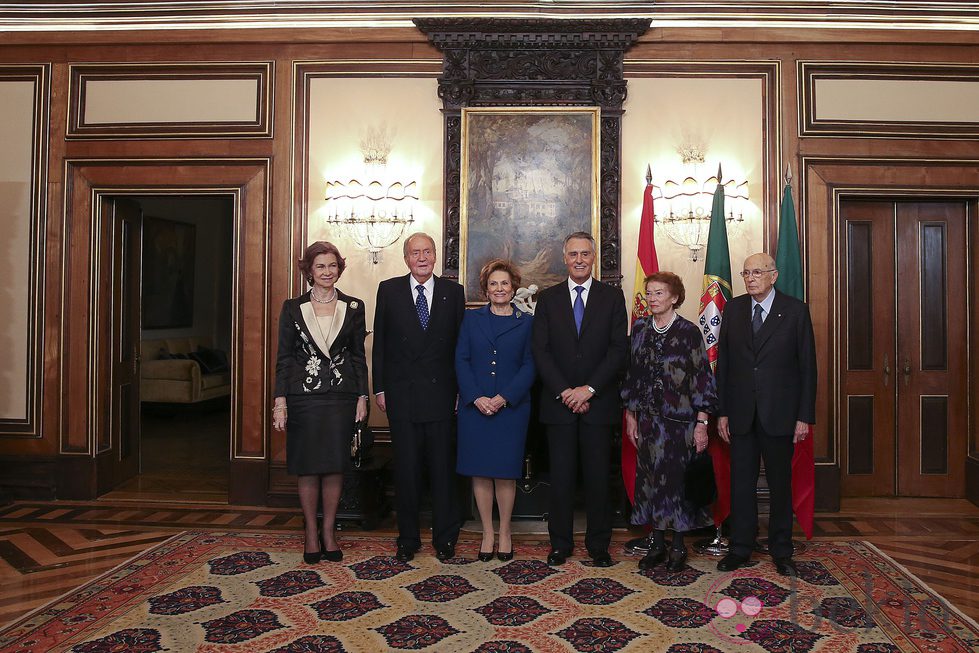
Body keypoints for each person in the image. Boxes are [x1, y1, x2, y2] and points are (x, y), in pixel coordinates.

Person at [715, 252, 817, 577]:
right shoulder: (733, 309)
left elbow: (808, 369)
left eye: (756, 272)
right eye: (745, 273)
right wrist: (723, 412)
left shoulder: (795, 311)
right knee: (741, 484)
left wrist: (804, 416)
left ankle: (782, 550)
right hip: (742, 414)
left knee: (779, 485)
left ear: (773, 275)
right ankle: (741, 548)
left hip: (781, 414)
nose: (750, 278)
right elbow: (725, 366)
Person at [531, 231, 629, 567]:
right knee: (560, 479)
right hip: (558, 405)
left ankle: (598, 545)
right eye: (573, 254)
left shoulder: (612, 298)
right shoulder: (547, 299)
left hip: (598, 404)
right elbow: (540, 352)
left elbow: (618, 350)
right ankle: (560, 544)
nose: (579, 260)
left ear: (593, 257)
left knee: (599, 478)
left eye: (585, 254)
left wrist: (588, 389)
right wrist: (565, 392)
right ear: (564, 257)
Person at [273, 241, 369, 564]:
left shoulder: (354, 307)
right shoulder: (292, 308)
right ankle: (310, 534)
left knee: (334, 467)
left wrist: (362, 396)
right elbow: (284, 358)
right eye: (320, 267)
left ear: (339, 269)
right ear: (309, 271)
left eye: (332, 266)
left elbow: (358, 357)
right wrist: (280, 400)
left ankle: (329, 531)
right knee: (309, 467)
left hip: (341, 398)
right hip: (304, 399)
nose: (327, 272)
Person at [373, 232, 466, 562]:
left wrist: (460, 391)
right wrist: (380, 389)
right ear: (406, 258)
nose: (422, 257)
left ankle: (445, 538)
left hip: (442, 396)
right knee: (407, 473)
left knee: (443, 473)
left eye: (428, 251)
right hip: (402, 396)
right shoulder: (389, 290)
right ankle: (407, 538)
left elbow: (460, 348)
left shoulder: (453, 292)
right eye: (416, 253)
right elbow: (381, 344)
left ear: (436, 255)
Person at [622, 272, 716, 571]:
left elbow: (702, 378)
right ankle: (657, 543)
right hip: (648, 422)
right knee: (651, 483)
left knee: (675, 484)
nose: (652, 298)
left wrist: (702, 423)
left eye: (659, 293)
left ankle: (677, 546)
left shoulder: (688, 332)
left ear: (674, 297)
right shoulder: (639, 330)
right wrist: (631, 415)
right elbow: (633, 375)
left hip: (680, 422)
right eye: (649, 293)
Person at [456, 259, 536, 562]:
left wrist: (504, 397)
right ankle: (487, 533)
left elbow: (531, 364)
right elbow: (461, 360)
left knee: (505, 473)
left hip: (511, 409)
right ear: (486, 289)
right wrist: (476, 397)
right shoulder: (471, 319)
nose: (499, 289)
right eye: (493, 284)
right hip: (475, 408)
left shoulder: (526, 322)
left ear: (513, 286)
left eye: (504, 283)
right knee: (480, 472)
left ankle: (505, 532)